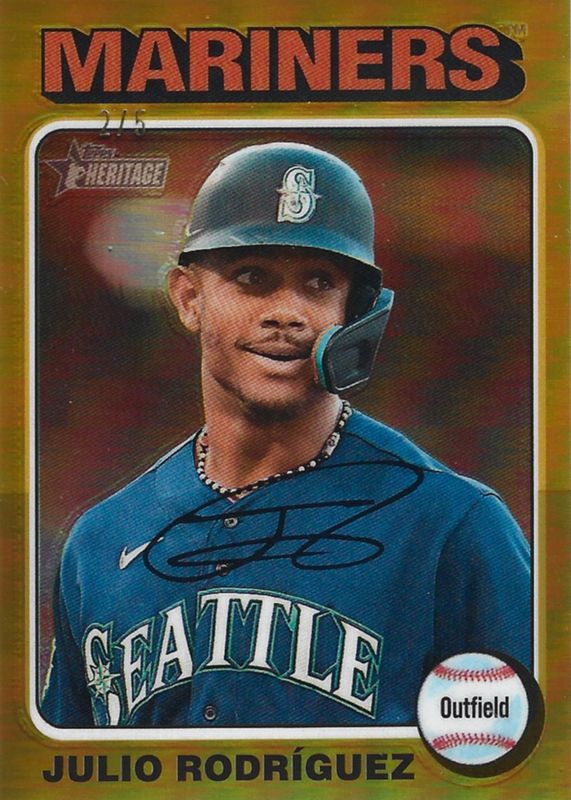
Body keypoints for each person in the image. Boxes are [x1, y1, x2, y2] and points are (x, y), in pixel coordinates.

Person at [41, 142, 531, 728]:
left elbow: (522, 756)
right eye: (252, 278)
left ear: (356, 314)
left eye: (319, 283)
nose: (287, 313)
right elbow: (64, 765)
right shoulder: (100, 542)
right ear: (189, 298)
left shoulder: (452, 525)